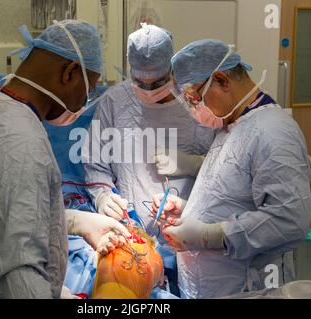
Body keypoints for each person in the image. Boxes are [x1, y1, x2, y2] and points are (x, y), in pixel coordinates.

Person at [0, 20, 130, 299]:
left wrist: (74, 221)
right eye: (87, 93)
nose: (81, 105)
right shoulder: (22, 142)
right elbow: (22, 274)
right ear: (69, 72)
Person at [152, 39, 311, 298]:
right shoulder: (233, 125)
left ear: (222, 80)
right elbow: (233, 196)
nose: (194, 109)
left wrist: (208, 234)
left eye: (194, 98)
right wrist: (186, 209)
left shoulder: (273, 131)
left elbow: (288, 221)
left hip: (245, 288)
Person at [82, 24, 215, 294]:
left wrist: (190, 162)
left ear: (172, 68)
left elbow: (224, 169)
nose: (149, 90)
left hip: (190, 237)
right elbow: (95, 164)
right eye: (140, 83)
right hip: (130, 239)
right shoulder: (114, 102)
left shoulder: (196, 104)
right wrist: (103, 197)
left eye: (157, 82)